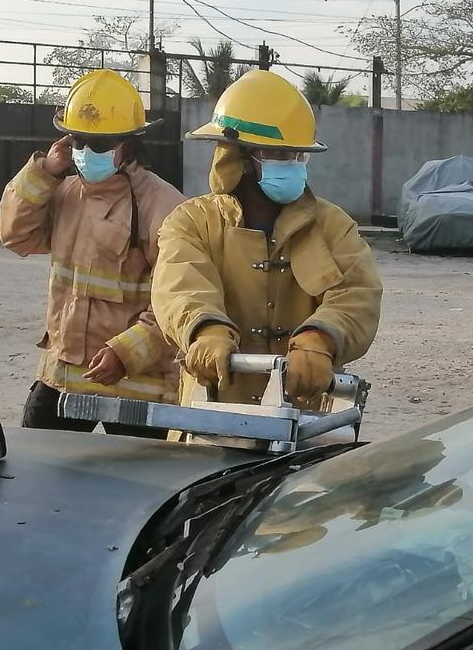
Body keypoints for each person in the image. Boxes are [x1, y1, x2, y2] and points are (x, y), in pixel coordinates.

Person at [151, 70, 382, 411]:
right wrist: (207, 331)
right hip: (213, 413)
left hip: (302, 418)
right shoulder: (192, 223)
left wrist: (321, 338)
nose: (294, 165)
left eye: (298, 156)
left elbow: (356, 294)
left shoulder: (333, 226)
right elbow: (180, 287)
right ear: (238, 158)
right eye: (280, 155)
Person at [0, 69, 183, 438]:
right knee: (38, 474)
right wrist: (44, 172)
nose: (85, 153)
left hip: (135, 387)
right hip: (61, 378)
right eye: (78, 141)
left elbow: (179, 301)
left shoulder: (163, 205)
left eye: (99, 144)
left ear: (128, 143)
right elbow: (15, 235)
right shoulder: (64, 192)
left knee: (138, 491)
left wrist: (128, 353)